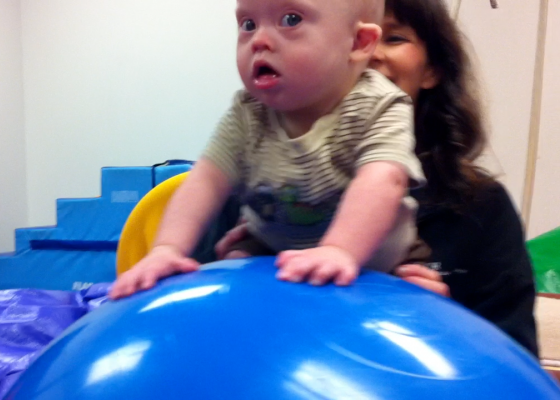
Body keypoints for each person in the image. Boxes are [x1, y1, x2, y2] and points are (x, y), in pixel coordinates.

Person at [214, 0, 538, 356]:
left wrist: (444, 326)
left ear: (432, 70)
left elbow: (514, 363)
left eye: (394, 38)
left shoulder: (482, 208)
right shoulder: (249, 184)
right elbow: (202, 334)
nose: (362, 54)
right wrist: (237, 281)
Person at [110, 0, 427, 300]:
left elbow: (384, 179)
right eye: (247, 23)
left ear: (358, 43)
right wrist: (167, 248)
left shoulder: (380, 105)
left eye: (291, 19)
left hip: (378, 255)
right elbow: (206, 180)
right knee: (233, 261)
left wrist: (340, 250)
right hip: (272, 243)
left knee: (417, 285)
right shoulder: (248, 114)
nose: (259, 40)